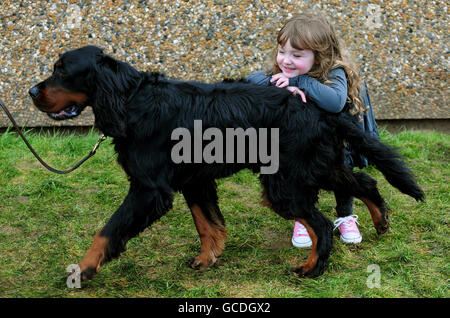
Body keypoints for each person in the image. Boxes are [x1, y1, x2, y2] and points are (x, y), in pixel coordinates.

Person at [246, 12, 379, 247]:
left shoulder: (335, 72)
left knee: (342, 176)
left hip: (337, 144)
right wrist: (276, 82)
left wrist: (301, 82)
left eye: (296, 55)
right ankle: (304, 218)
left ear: (319, 57)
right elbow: (249, 81)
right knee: (300, 175)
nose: (286, 60)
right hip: (302, 143)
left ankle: (345, 216)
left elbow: (335, 101)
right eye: (281, 52)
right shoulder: (282, 72)